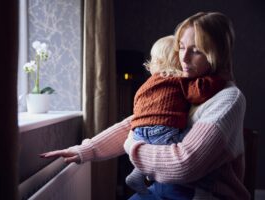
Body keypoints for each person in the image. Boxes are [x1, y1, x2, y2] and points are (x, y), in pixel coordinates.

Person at [40, 11, 250, 200]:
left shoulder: (228, 98)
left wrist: (133, 146)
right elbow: (139, 123)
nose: (183, 58)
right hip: (162, 189)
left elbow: (184, 164)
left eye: (196, 51)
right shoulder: (185, 85)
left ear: (216, 54)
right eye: (182, 47)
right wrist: (84, 150)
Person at [125, 35, 225, 196]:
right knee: (199, 148)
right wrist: (218, 80)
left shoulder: (148, 83)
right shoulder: (180, 79)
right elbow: (199, 93)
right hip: (163, 130)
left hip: (137, 132)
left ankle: (137, 173)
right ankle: (203, 190)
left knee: (149, 146)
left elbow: (137, 103)